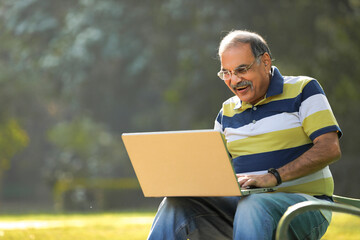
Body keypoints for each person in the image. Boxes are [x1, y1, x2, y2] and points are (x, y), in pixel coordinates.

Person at [147, 30, 342, 240]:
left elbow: (329, 148)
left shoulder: (304, 90)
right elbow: (217, 172)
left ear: (265, 62)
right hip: (242, 210)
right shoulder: (226, 113)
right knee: (176, 203)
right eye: (227, 73)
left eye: (241, 69)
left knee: (254, 204)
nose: (234, 80)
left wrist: (273, 177)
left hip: (305, 206)